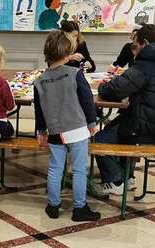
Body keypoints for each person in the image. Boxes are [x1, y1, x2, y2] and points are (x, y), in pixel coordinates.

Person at [95, 24, 155, 195]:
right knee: (118, 129)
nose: (133, 51)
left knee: (100, 139)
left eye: (134, 45)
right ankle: (127, 178)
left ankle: (114, 181)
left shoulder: (145, 65)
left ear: (144, 43)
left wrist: (102, 88)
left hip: (151, 126)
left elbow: (116, 90)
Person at [34, 30, 101, 222]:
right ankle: (80, 208)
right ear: (67, 52)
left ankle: (53, 205)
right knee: (79, 170)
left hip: (55, 131)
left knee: (55, 168)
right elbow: (87, 100)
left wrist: (41, 131)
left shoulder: (39, 81)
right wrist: (92, 122)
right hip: (77, 130)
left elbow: (39, 110)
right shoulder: (75, 74)